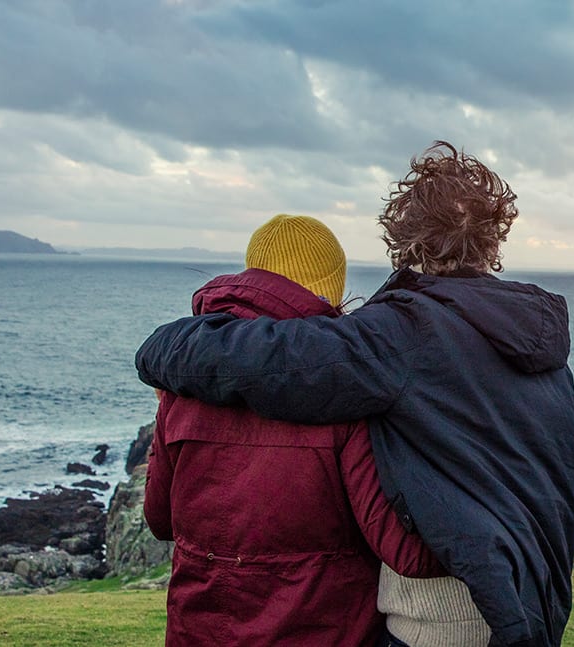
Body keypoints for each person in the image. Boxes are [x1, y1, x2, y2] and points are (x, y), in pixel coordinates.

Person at [138, 143, 574, 647]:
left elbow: (276, 359)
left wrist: (163, 349)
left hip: (446, 614)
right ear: (493, 238)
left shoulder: (399, 334)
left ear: (401, 237)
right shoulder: (539, 343)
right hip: (532, 596)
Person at [143, 214, 449, 646]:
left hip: (202, 631)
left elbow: (159, 520)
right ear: (329, 290)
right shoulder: (343, 392)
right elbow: (400, 547)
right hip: (324, 631)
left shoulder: (182, 383)